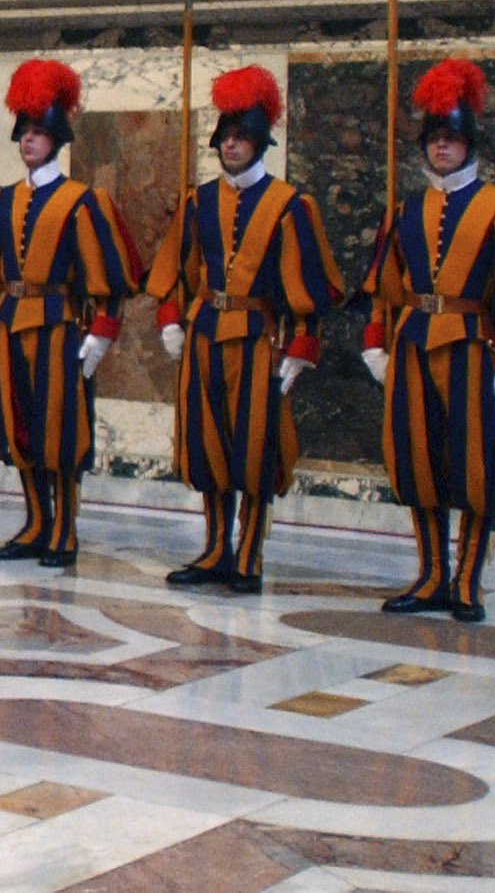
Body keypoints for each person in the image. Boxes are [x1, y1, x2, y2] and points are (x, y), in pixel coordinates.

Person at [360, 59, 495, 623]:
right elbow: (385, 289)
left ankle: (468, 578)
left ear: (469, 143)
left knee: (475, 465)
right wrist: (377, 344)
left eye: (451, 139)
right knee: (418, 463)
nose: (441, 149)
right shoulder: (405, 211)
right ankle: (429, 575)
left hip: (476, 350)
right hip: (414, 344)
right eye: (434, 140)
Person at [146, 66, 340, 594]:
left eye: (241, 138)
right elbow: (176, 271)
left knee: (254, 448)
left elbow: (308, 285)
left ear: (260, 144)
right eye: (226, 138)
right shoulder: (198, 201)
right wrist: (171, 320)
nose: (231, 146)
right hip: (205, 331)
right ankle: (214, 548)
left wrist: (299, 347)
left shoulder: (290, 207)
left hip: (259, 338)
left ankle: (249, 553)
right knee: (206, 445)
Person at [0, 59, 145, 568]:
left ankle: (64, 528)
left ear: (57, 138)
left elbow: (110, 276)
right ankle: (36, 521)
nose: (27, 141)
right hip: (10, 325)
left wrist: (102, 334)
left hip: (60, 328)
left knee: (62, 432)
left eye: (38, 133)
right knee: (18, 430)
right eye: (23, 131)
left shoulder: (83, 201)